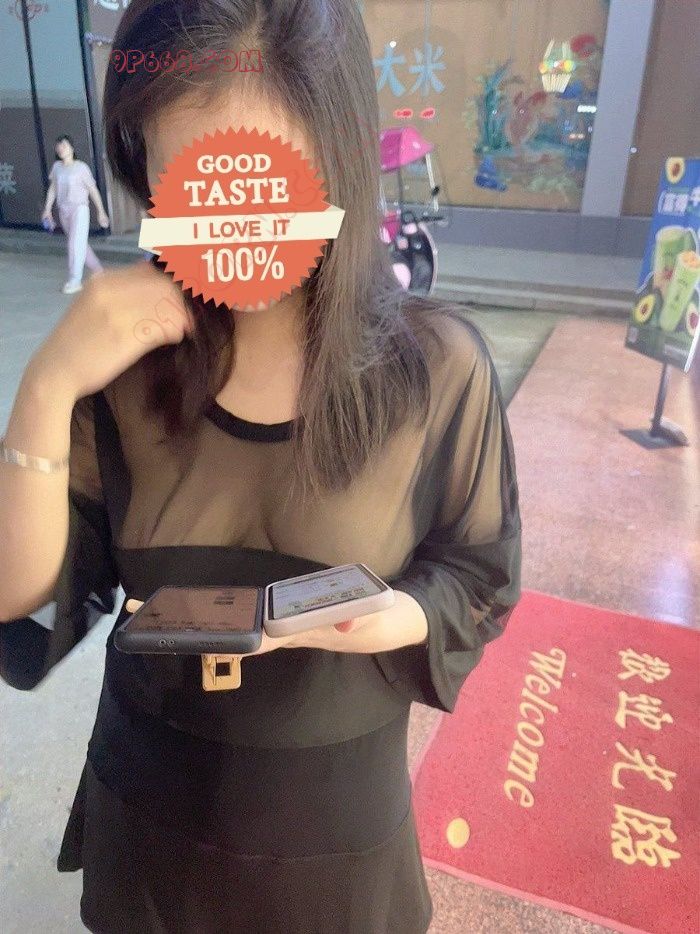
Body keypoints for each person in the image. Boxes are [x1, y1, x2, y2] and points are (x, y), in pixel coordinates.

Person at [0, 2, 521, 932]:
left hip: (334, 848)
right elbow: (23, 595)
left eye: (257, 180)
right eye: (182, 185)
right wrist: (45, 387)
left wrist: (393, 615)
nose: (225, 223)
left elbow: (479, 572)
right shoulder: (123, 369)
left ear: (339, 160)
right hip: (148, 826)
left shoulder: (436, 369)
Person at [41, 135, 110, 294]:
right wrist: (47, 208)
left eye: (64, 145)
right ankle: (99, 271)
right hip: (64, 210)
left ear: (72, 148)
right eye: (58, 146)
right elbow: (53, 189)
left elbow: (93, 190)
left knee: (75, 243)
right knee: (80, 244)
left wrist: (101, 212)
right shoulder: (57, 167)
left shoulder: (81, 168)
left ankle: (75, 280)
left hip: (80, 209)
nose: (61, 149)